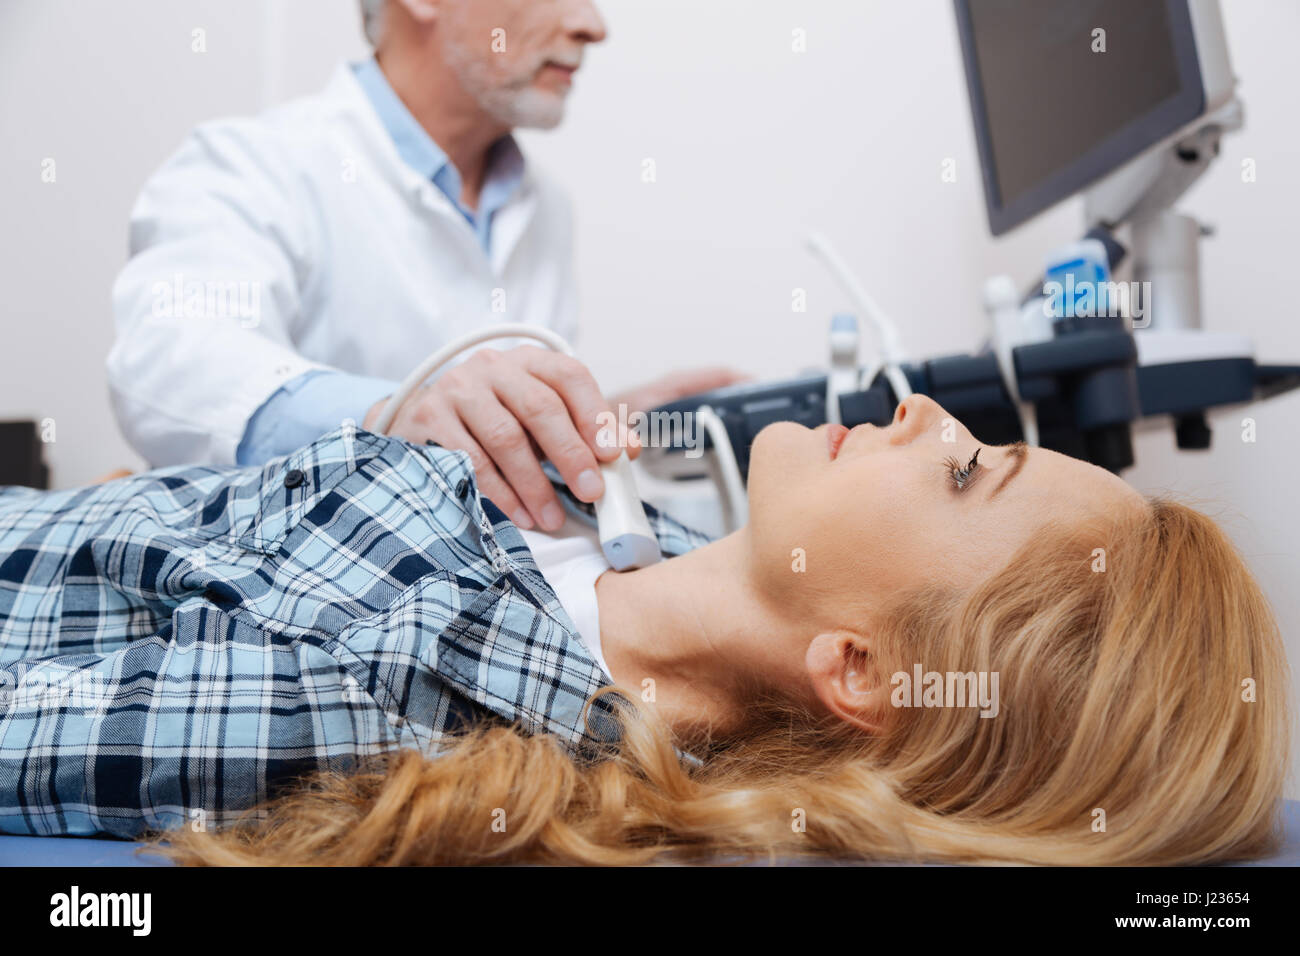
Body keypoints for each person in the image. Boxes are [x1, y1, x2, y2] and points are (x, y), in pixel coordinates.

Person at [0, 394, 1287, 864]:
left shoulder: (393, 695)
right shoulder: (586, 544)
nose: (918, 409)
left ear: (862, 669)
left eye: (962, 469)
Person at [106, 0, 741, 534]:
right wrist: (391, 415)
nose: (592, 24)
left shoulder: (544, 208)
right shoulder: (250, 166)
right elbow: (173, 364)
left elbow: (489, 436)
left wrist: (583, 424)